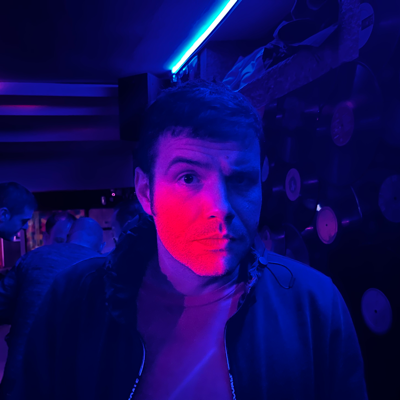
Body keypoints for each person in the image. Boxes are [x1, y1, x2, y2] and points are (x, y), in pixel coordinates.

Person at [19, 81, 368, 400]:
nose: (220, 208)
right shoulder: (75, 298)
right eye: (188, 178)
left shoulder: (313, 304)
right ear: (146, 192)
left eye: (241, 180)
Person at [0, 217, 104, 399]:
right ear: (101, 246)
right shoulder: (105, 268)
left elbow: (2, 305)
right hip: (74, 383)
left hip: (19, 375)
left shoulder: (31, 257)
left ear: (69, 236)